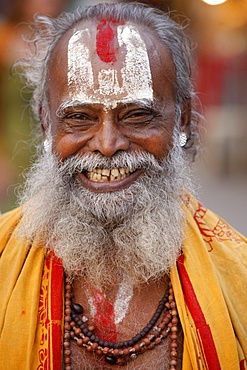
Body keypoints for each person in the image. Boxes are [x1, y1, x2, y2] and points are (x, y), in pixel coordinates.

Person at [0, 2, 246, 369]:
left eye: (137, 115)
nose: (108, 143)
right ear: (46, 125)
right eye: (80, 118)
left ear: (182, 121)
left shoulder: (239, 278)